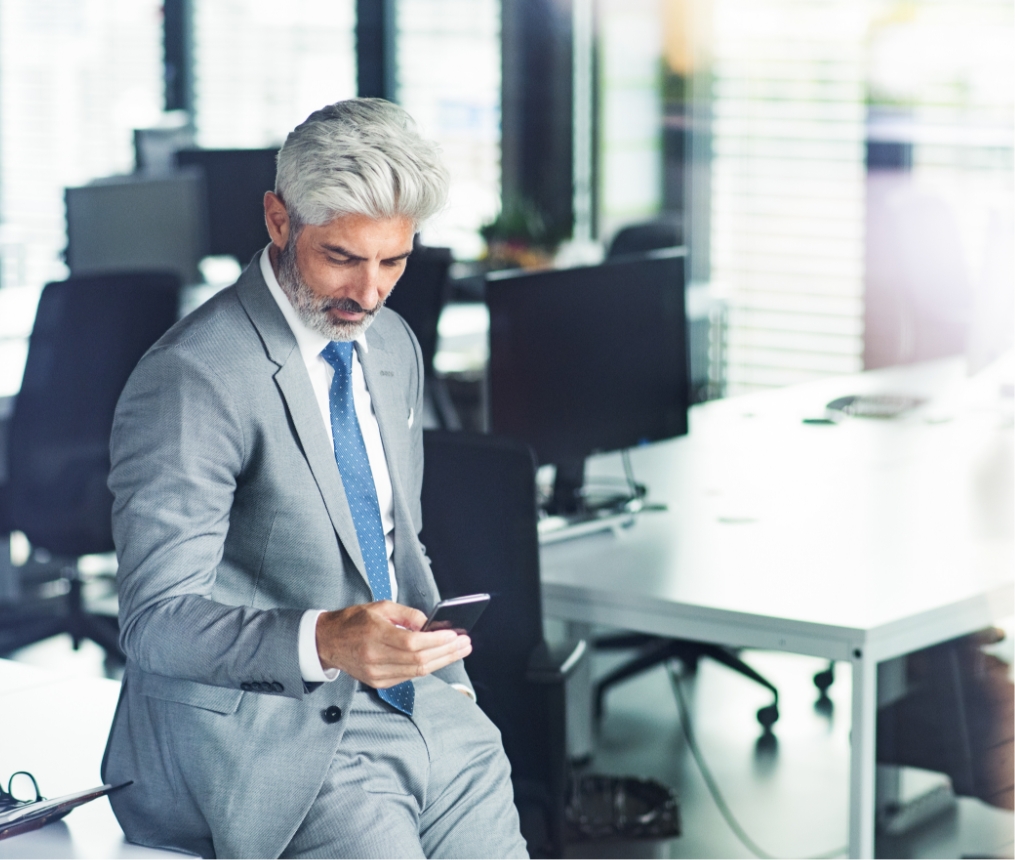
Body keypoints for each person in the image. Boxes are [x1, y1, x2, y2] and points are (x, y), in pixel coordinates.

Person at [101, 98, 528, 859]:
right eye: (341, 256)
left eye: (392, 261)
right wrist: (326, 639)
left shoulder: (391, 344)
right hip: (268, 735)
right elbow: (156, 621)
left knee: (485, 771)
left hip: (416, 708)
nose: (368, 293)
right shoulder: (193, 376)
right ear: (277, 219)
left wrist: (450, 690)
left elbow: (397, 543)